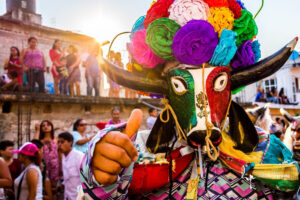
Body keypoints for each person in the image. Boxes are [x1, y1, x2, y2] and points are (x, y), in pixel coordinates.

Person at [58, 132, 84, 200]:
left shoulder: (79, 156)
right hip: (68, 196)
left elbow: (85, 179)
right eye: (58, 142)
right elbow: (68, 178)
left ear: (70, 143)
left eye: (62, 142)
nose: (59, 144)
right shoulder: (63, 156)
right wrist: (61, 186)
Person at [37, 120, 60, 197]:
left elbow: (60, 152)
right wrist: (37, 130)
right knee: (44, 188)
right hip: (43, 165)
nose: (46, 127)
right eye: (43, 125)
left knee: (54, 189)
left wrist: (62, 166)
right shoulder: (40, 141)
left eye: (48, 125)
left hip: (55, 166)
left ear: (51, 127)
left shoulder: (56, 139)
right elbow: (34, 144)